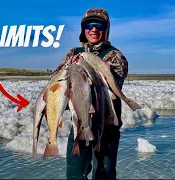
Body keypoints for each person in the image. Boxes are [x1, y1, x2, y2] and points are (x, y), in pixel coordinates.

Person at [51, 8, 128, 180]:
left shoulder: (115, 56)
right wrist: (67, 71)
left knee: (104, 174)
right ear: (83, 29)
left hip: (105, 126)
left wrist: (94, 74)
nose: (94, 29)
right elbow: (55, 79)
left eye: (99, 25)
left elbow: (114, 87)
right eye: (89, 25)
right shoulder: (73, 53)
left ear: (106, 29)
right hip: (80, 124)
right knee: (74, 174)